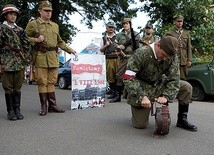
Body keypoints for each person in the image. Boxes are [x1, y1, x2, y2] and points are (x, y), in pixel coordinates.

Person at [124, 35, 197, 132]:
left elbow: (174, 78)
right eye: (163, 54)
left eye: (168, 56)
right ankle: (140, 110)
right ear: (158, 45)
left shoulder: (171, 56)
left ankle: (182, 119)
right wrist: (142, 96)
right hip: (142, 88)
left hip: (159, 84)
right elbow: (128, 78)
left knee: (186, 87)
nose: (165, 58)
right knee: (140, 125)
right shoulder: (141, 53)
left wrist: (166, 96)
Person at [25, 1, 76, 116]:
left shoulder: (55, 25)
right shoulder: (33, 24)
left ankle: (52, 105)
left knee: (52, 81)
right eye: (46, 11)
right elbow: (23, 37)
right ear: (40, 11)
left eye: (50, 11)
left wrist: (70, 50)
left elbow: (60, 42)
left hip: (53, 56)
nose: (48, 13)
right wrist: (35, 40)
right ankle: (44, 106)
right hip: (40, 56)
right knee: (42, 82)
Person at [0, 4, 31, 120]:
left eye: (15, 14)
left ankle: (17, 109)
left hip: (19, 62)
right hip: (6, 62)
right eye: (10, 14)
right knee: (8, 88)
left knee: (18, 87)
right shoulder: (1, 29)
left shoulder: (20, 30)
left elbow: (26, 45)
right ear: (5, 15)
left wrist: (27, 61)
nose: (13, 16)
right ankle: (10, 111)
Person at [109, 17, 140, 103]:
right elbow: (114, 43)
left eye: (127, 23)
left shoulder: (136, 34)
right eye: (124, 24)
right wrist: (119, 47)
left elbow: (139, 47)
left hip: (133, 57)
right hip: (123, 57)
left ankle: (134, 95)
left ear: (130, 24)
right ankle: (118, 96)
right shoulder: (119, 35)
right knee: (119, 76)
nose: (125, 25)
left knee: (133, 76)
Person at [165, 15, 192, 80]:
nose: (180, 23)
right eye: (178, 21)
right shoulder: (169, 33)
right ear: (174, 22)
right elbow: (166, 47)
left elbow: (189, 47)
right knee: (174, 77)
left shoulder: (186, 33)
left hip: (183, 59)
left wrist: (189, 59)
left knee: (184, 77)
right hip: (174, 58)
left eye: (181, 21)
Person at [100, 21, 118, 97]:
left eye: (112, 27)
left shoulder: (118, 37)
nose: (111, 29)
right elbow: (101, 49)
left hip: (117, 58)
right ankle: (113, 91)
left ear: (114, 29)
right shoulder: (103, 38)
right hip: (108, 58)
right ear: (106, 28)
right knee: (110, 76)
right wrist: (106, 45)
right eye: (109, 27)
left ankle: (117, 93)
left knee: (118, 75)